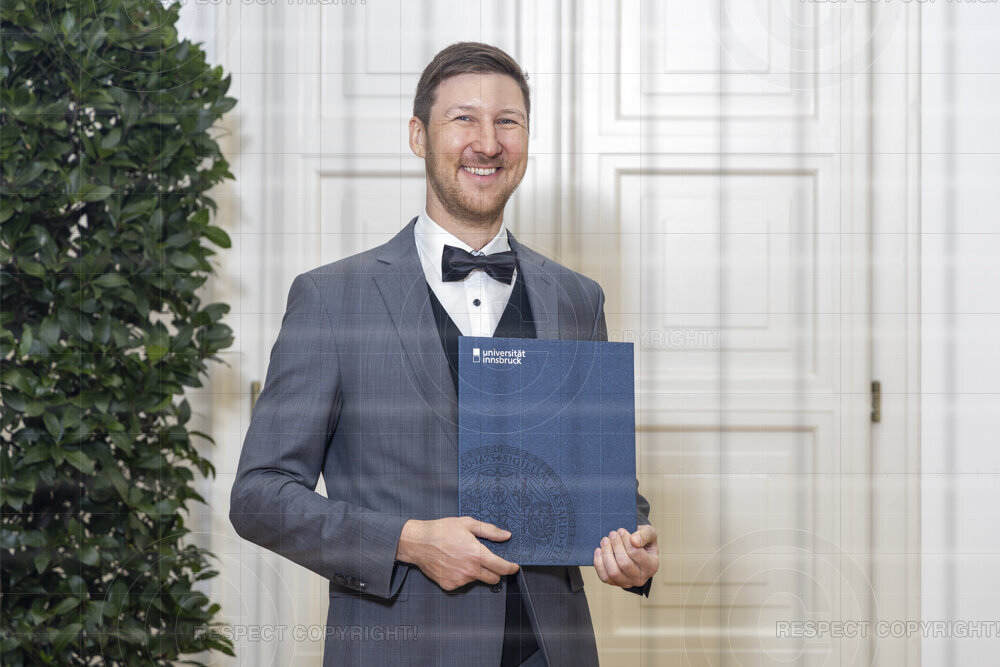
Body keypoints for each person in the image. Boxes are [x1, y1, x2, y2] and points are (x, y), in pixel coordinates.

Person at [229, 41, 658, 667]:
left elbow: (601, 481)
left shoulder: (577, 298)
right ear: (418, 136)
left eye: (507, 121)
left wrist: (632, 545)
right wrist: (406, 541)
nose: (488, 143)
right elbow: (259, 495)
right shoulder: (331, 299)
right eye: (464, 119)